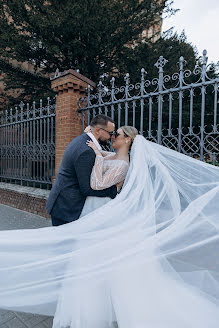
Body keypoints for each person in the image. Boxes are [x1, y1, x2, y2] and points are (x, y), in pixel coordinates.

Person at [1, 129, 219, 328]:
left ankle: (101, 308)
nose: (113, 136)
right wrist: (96, 147)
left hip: (104, 213)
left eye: (119, 134)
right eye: (113, 133)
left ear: (128, 140)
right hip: (97, 211)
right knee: (91, 258)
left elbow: (96, 183)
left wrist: (96, 155)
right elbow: (102, 155)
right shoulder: (114, 156)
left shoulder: (123, 163)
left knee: (97, 258)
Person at [46, 114, 118, 226]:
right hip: (66, 208)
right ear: (98, 130)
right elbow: (86, 188)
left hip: (61, 202)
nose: (112, 136)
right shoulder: (86, 151)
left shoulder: (82, 140)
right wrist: (114, 190)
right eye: (110, 133)